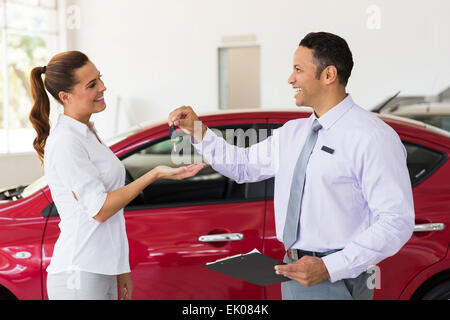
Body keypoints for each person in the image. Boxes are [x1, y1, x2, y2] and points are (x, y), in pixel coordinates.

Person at [168, 32, 415, 300]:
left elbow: (395, 221)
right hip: (295, 271)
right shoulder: (293, 133)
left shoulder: (372, 137)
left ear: (328, 75)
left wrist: (328, 267)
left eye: (298, 69)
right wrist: (197, 130)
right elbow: (242, 167)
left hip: (341, 277)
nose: (290, 78)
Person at [29, 51, 205, 300]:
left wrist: (121, 269)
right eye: (92, 84)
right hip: (79, 274)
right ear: (65, 97)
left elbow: (112, 218)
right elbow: (100, 209)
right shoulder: (67, 141)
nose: (103, 87)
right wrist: (154, 174)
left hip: (101, 269)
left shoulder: (87, 132)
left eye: (99, 78)